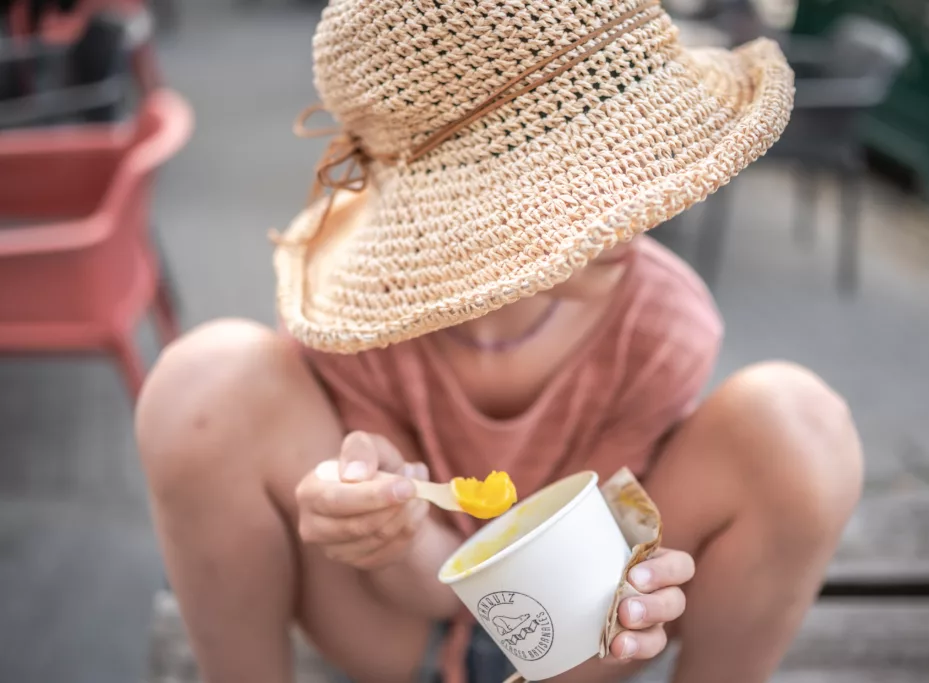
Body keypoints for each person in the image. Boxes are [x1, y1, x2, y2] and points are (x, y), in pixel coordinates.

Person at [135, 1, 863, 682]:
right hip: (388, 622)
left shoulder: (662, 322)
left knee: (801, 425)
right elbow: (440, 593)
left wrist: (635, 579)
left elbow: (561, 583)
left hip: (577, 640)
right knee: (201, 383)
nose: (631, 212)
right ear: (471, 201)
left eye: (634, 161)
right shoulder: (370, 322)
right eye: (579, 174)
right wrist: (390, 529)